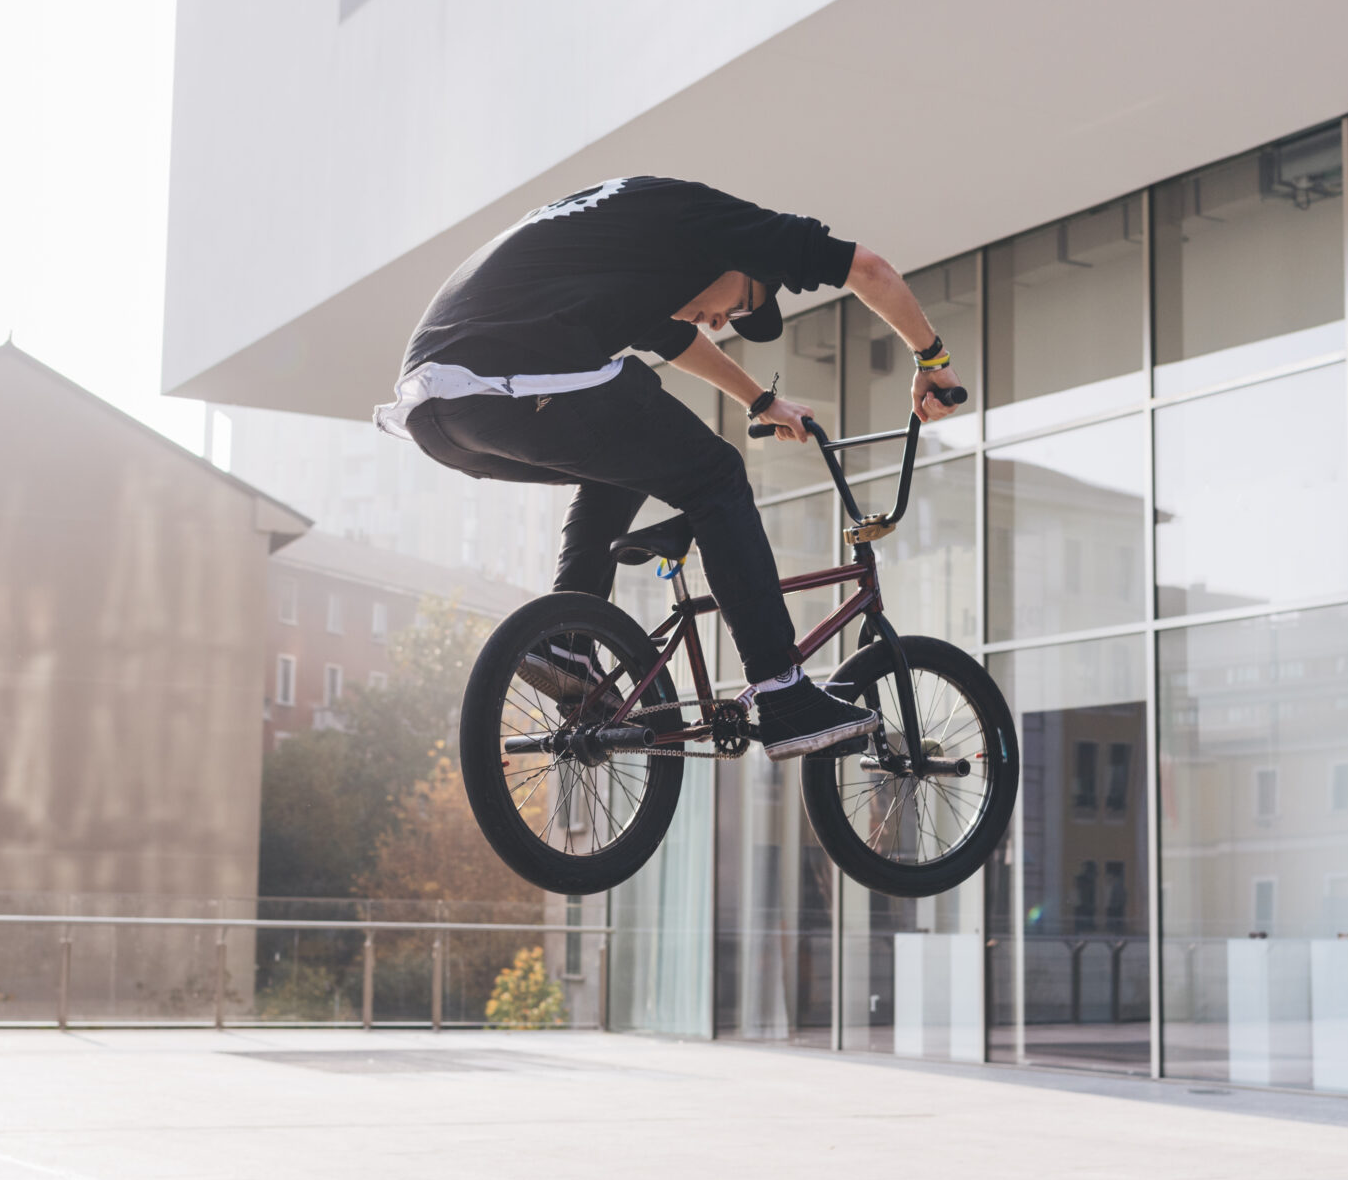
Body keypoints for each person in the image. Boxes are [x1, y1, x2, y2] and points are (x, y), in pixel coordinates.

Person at [375, 176, 964, 758]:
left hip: (443, 415)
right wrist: (932, 360)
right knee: (717, 476)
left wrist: (760, 400)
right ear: (747, 261)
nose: (719, 321)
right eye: (738, 306)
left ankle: (566, 645)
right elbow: (871, 271)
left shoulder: (637, 247)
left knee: (619, 459)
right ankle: (783, 694)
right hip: (500, 375)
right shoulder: (716, 222)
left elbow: (673, 341)